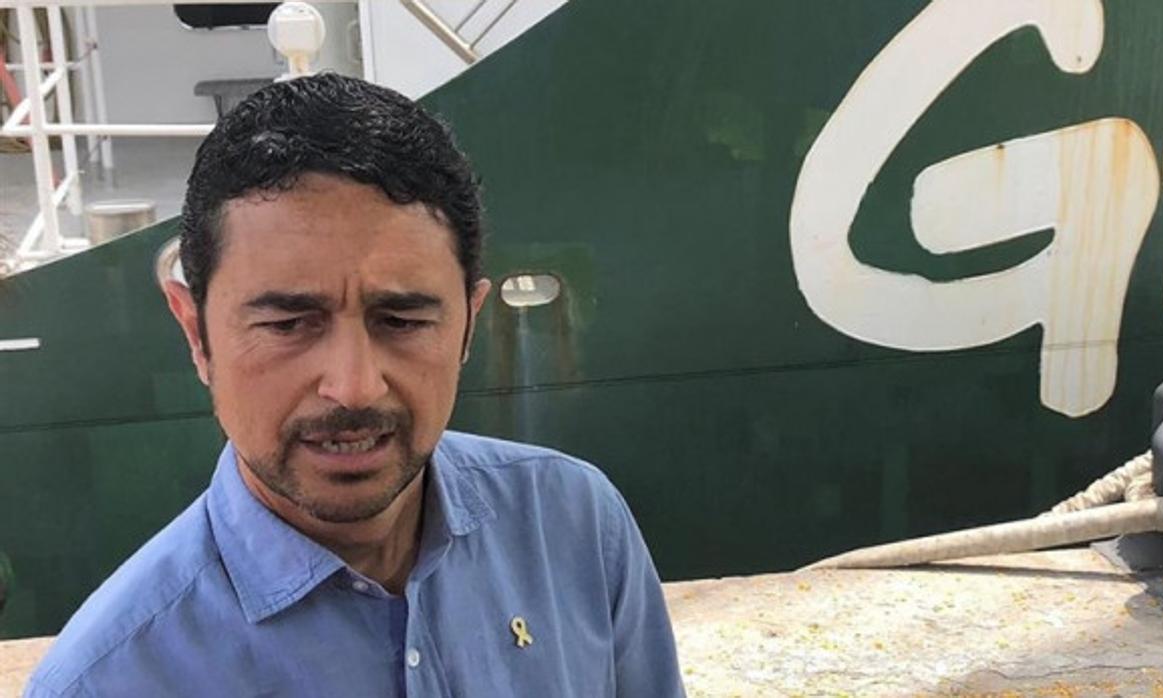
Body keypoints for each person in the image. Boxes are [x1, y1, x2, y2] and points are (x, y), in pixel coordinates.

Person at [25, 73, 684, 697]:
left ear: (468, 325)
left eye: (402, 320)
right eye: (288, 324)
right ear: (196, 333)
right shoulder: (108, 681)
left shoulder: (574, 527)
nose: (355, 387)